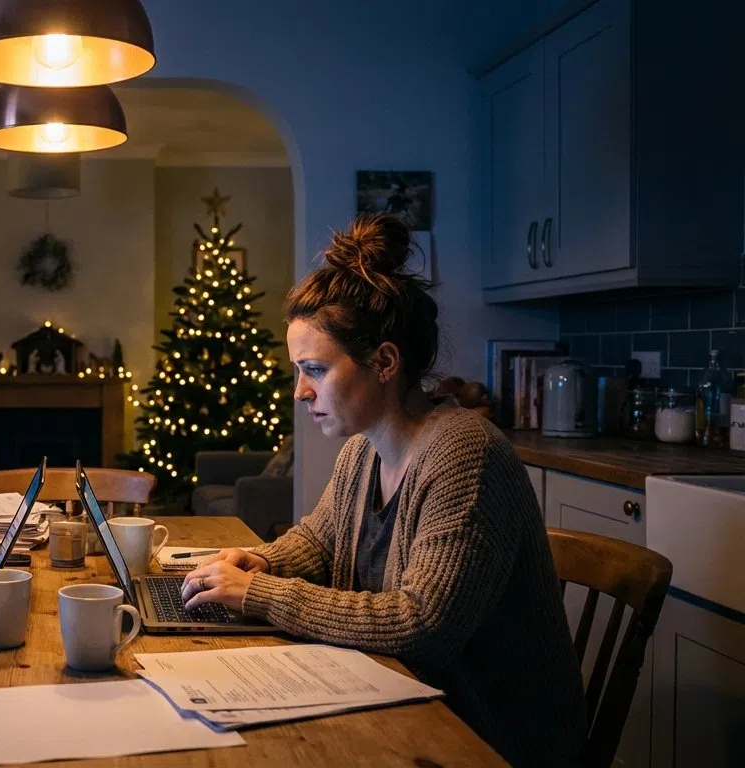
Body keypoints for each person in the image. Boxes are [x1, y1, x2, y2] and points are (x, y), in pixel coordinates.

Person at [180, 214, 586, 766]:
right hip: (401, 704)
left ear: (385, 362)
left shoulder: (465, 454)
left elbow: (423, 627)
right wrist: (258, 561)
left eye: (315, 370)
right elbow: (321, 544)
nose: (300, 392)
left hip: (487, 738)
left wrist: (259, 594)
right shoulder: (362, 450)